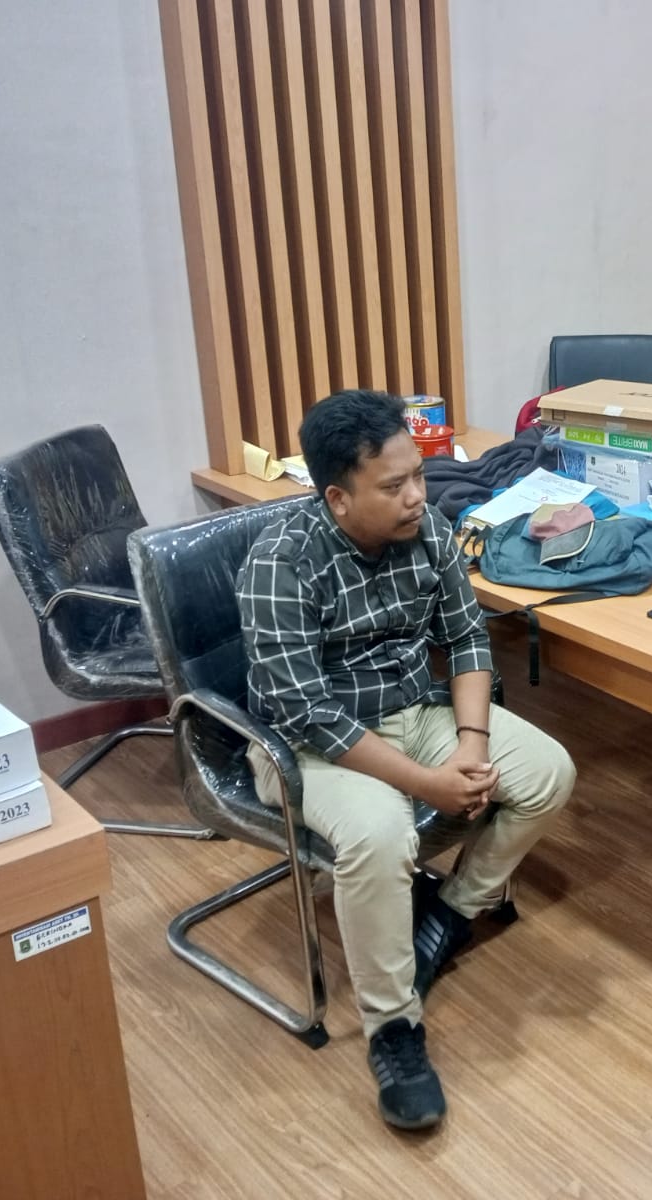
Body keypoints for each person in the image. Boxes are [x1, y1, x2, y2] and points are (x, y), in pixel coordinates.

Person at [237, 390, 575, 1130]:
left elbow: (468, 639)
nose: (418, 496)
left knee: (547, 772)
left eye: (418, 474)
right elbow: (309, 713)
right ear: (337, 497)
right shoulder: (281, 562)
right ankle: (393, 1028)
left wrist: (471, 747)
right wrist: (430, 784)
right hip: (308, 745)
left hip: (412, 711)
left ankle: (450, 913)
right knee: (380, 834)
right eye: (393, 486)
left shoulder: (429, 530)